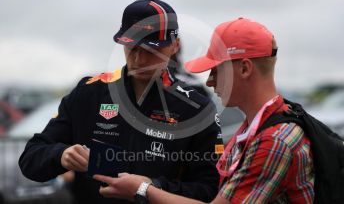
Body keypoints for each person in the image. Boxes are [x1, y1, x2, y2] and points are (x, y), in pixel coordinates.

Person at [19, 0, 223, 204]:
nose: (140, 60)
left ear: (175, 45)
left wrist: (150, 188)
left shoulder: (196, 107)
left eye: (152, 50)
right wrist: (61, 155)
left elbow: (210, 190)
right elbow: (30, 159)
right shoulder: (89, 93)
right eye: (133, 47)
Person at [93, 17, 315, 203]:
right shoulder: (260, 126)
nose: (209, 82)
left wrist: (142, 189)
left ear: (245, 69)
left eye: (216, 71)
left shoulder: (274, 141)